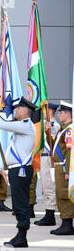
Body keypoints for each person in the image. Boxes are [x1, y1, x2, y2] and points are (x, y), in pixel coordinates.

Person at [0, 97, 37, 248]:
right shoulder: (21, 126)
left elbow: (6, 126)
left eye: (18, 109)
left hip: (21, 171)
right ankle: (20, 234)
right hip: (15, 170)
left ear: (25, 112)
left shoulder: (26, 125)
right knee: (17, 203)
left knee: (21, 204)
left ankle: (22, 236)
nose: (15, 111)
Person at [49, 101, 74, 235]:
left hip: (64, 168)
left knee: (64, 195)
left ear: (68, 114)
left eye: (62, 112)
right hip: (60, 167)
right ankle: (65, 222)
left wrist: (67, 170)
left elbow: (70, 152)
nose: (59, 114)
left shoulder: (69, 130)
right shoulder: (64, 129)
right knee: (60, 194)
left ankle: (67, 224)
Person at [34, 102, 60, 226]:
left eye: (44, 110)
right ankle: (48, 212)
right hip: (42, 158)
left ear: (50, 112)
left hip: (49, 159)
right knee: (45, 187)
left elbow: (52, 143)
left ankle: (50, 214)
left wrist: (48, 129)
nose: (42, 112)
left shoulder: (54, 126)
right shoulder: (45, 125)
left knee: (49, 186)